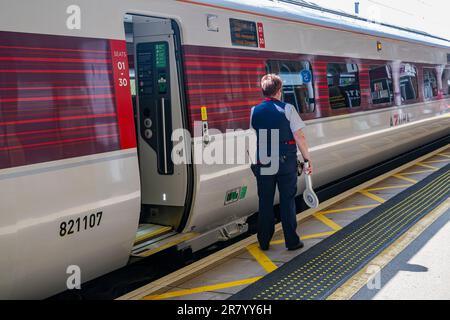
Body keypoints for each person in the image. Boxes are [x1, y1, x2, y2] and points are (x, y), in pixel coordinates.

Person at [250, 74, 313, 251]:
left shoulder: (254, 111)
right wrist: (307, 159)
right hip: (285, 160)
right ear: (279, 91)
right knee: (287, 201)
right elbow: (299, 136)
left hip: (264, 160)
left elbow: (257, 132)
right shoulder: (288, 109)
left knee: (265, 201)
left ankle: (263, 241)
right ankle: (292, 241)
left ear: (264, 91)